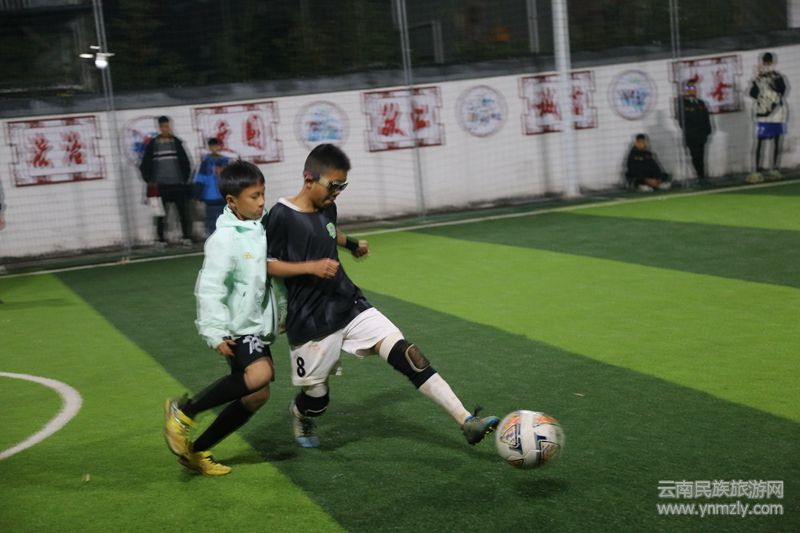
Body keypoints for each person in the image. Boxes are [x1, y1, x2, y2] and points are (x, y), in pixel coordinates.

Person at [266, 143, 499, 449]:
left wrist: (351, 244)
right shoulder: (281, 215)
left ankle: (466, 419)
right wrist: (311, 267)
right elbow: (267, 264)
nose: (337, 193)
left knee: (407, 353)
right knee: (317, 400)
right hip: (309, 318)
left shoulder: (328, 207)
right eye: (334, 185)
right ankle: (301, 414)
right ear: (309, 179)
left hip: (347, 302)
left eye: (342, 186)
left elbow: (329, 231)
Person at [163, 160, 284, 476]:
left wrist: (281, 312)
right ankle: (183, 412)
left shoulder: (260, 228)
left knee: (257, 395)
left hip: (256, 325)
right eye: (254, 196)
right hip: (238, 327)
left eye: (263, 194)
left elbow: (267, 279)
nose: (261, 202)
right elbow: (209, 288)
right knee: (260, 374)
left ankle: (197, 452)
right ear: (232, 201)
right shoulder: (224, 240)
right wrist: (214, 332)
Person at [139, 116, 194, 246]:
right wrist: (149, 180)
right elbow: (144, 164)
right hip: (160, 186)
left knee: (183, 213)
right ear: (159, 127)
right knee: (160, 214)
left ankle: (186, 237)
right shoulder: (153, 145)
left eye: (168, 126)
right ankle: (161, 239)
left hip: (178, 184)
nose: (166, 129)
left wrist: (184, 179)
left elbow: (186, 163)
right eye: (163, 126)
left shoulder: (177, 143)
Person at [747, 52, 789, 183]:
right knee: (759, 142)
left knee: (776, 141)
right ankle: (756, 171)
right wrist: (757, 80)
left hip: (776, 113)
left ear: (772, 63)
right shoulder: (759, 78)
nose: (767, 64)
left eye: (769, 62)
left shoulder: (778, 76)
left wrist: (770, 79)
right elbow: (752, 93)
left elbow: (782, 90)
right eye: (765, 62)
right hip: (763, 115)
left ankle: (774, 169)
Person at [675, 81, 712, 185]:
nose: (692, 90)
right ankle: (700, 176)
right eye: (689, 89)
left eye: (693, 88)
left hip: (701, 135)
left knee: (701, 156)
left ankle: (702, 175)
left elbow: (706, 118)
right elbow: (682, 121)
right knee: (695, 156)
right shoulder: (683, 104)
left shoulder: (700, 103)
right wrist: (689, 131)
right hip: (691, 136)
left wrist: (707, 131)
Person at [193, 137, 230, 237]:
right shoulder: (205, 163)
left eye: (216, 146)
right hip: (210, 196)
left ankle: (226, 238)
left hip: (224, 195)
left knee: (226, 217)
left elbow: (232, 179)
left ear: (220, 147)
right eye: (212, 146)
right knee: (211, 218)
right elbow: (200, 179)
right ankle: (213, 238)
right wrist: (197, 194)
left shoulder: (226, 161)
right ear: (209, 147)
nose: (214, 148)